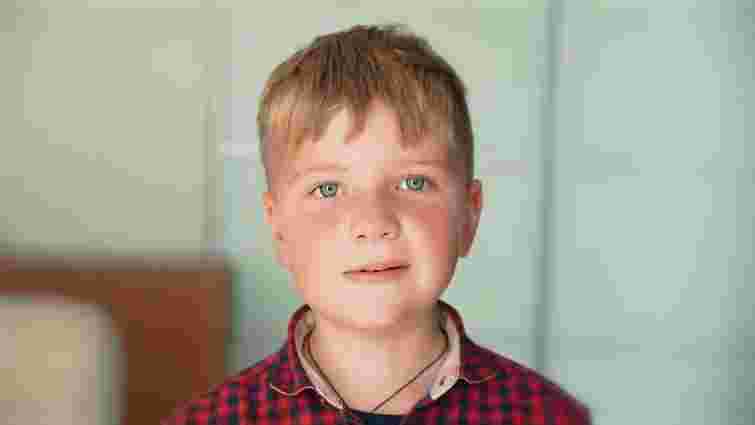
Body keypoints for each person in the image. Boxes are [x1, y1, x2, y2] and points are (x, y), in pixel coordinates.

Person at [161, 24, 591, 425]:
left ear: (469, 214)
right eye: (328, 189)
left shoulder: (548, 416)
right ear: (279, 229)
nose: (373, 223)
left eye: (413, 182)